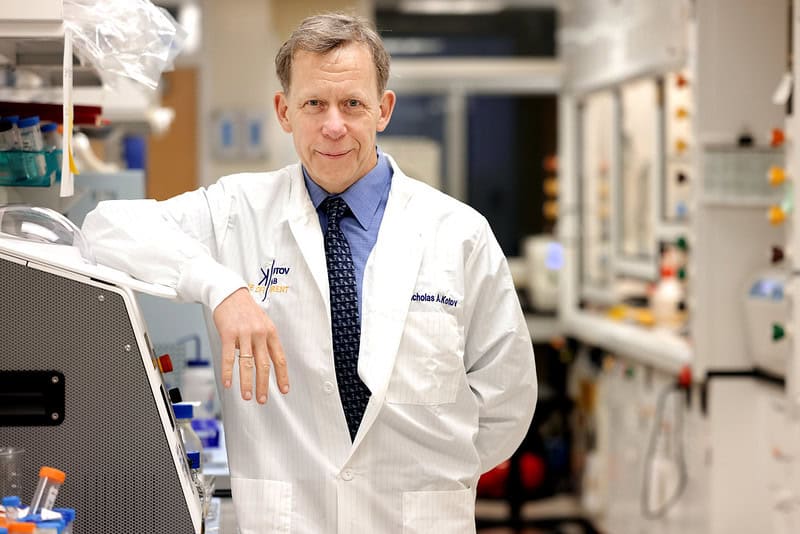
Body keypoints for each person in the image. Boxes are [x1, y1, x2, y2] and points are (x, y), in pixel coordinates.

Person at [83, 12, 537, 534]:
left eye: (352, 104)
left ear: (383, 110)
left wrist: (428, 473)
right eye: (314, 104)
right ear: (284, 111)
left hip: (418, 520)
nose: (333, 125)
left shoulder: (459, 233)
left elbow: (507, 398)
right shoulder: (238, 209)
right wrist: (221, 287)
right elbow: (104, 228)